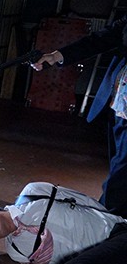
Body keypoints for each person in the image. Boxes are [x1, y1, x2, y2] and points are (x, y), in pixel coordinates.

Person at [31, 22, 127, 217]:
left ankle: (105, 223)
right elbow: (106, 36)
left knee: (121, 173)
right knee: (120, 168)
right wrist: (57, 56)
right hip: (121, 105)